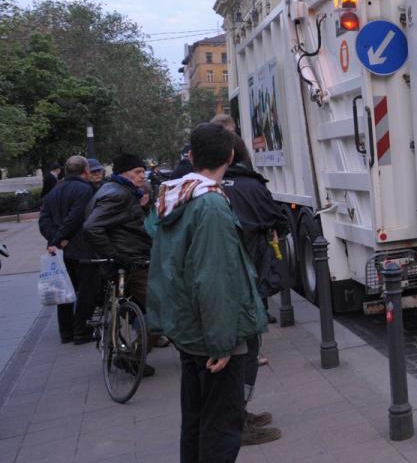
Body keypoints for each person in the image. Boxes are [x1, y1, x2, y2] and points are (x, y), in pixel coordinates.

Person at [148, 124, 267, 463]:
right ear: (231, 156)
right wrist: (222, 341)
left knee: (197, 420)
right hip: (211, 334)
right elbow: (214, 278)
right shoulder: (210, 206)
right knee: (220, 427)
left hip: (188, 326)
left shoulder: (175, 196)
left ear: (191, 156)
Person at [221, 136, 288, 445]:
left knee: (235, 352)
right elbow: (279, 220)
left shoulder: (198, 189)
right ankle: (237, 420)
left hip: (219, 285)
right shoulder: (250, 186)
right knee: (245, 351)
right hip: (246, 282)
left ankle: (237, 413)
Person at [83, 153, 156, 375]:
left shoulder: (115, 190)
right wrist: (115, 255)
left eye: (143, 172)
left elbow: (121, 223)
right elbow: (92, 227)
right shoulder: (118, 194)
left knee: (138, 307)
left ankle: (121, 344)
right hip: (131, 261)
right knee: (160, 308)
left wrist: (141, 208)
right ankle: (133, 356)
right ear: (122, 174)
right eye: (137, 172)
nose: (142, 176)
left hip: (126, 260)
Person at [38, 156, 101, 344]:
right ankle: (81, 331)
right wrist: (60, 239)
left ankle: (66, 331)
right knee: (87, 290)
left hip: (59, 250)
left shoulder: (54, 191)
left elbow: (43, 220)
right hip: (81, 248)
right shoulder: (85, 189)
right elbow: (76, 217)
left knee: (64, 290)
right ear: (86, 171)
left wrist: (54, 240)